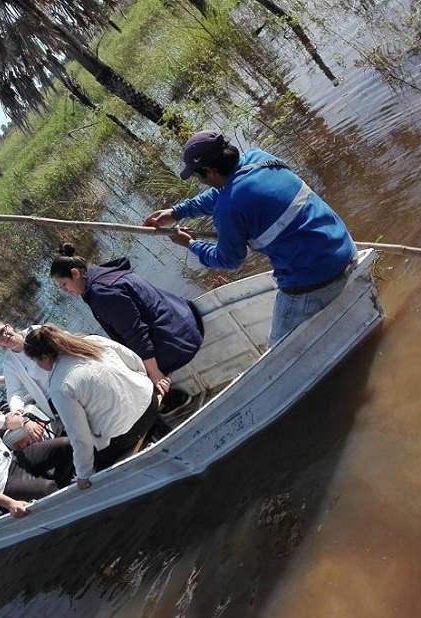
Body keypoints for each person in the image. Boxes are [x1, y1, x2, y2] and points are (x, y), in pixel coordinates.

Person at [143, 130, 357, 347]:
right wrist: (176, 212)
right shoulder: (260, 159)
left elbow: (229, 260)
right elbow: (225, 192)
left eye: (199, 176)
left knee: (279, 349)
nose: (201, 181)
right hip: (344, 247)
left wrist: (190, 243)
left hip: (314, 276)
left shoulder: (229, 209)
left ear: (209, 170)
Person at [49, 243, 203, 415]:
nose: (66, 291)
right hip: (185, 317)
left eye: (64, 285)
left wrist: (154, 374)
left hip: (179, 340)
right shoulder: (104, 272)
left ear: (75, 274)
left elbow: (136, 333)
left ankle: (177, 402)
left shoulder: (102, 294)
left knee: (130, 379)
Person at [23, 325, 161, 491]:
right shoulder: (93, 341)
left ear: (44, 357)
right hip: (149, 400)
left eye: (35, 361)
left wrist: (84, 475)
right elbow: (135, 361)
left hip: (127, 432)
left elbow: (81, 438)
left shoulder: (59, 385)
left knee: (96, 460)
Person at [0, 320, 57, 426]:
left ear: (9, 326)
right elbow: (14, 392)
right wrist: (17, 411)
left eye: (3, 330)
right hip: (52, 399)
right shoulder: (10, 363)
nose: (4, 335)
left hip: (68, 378)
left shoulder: (35, 331)